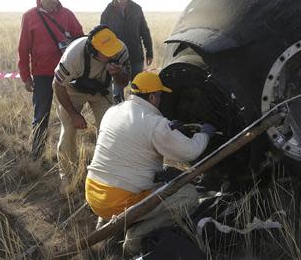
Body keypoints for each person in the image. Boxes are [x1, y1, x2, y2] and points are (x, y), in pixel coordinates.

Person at [85, 71, 216, 255]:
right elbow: (190, 151)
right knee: (189, 195)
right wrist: (204, 134)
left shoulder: (112, 111)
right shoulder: (154, 124)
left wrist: (168, 128)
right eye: (160, 96)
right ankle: (134, 238)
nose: (161, 100)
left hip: (94, 194)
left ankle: (106, 225)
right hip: (120, 201)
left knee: (158, 174)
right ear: (152, 96)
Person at [53, 25, 131, 181]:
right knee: (68, 130)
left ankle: (103, 171)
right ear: (93, 50)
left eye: (113, 49)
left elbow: (124, 82)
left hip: (102, 91)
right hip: (72, 90)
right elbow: (57, 85)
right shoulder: (74, 54)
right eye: (107, 51)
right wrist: (74, 115)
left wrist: (118, 73)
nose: (113, 53)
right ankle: (67, 175)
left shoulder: (121, 49)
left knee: (108, 129)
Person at [18, 0, 84, 159]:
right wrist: (25, 77)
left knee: (71, 115)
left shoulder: (68, 15)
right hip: (42, 75)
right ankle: (36, 156)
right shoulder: (29, 16)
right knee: (41, 116)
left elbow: (81, 40)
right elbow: (23, 49)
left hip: (67, 75)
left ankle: (70, 157)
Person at [101, 0, 153, 103]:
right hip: (116, 58)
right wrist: (105, 59)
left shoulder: (137, 9)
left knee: (137, 90)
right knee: (117, 92)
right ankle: (120, 117)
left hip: (135, 56)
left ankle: (135, 115)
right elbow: (102, 36)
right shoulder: (108, 11)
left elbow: (144, 31)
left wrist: (149, 52)